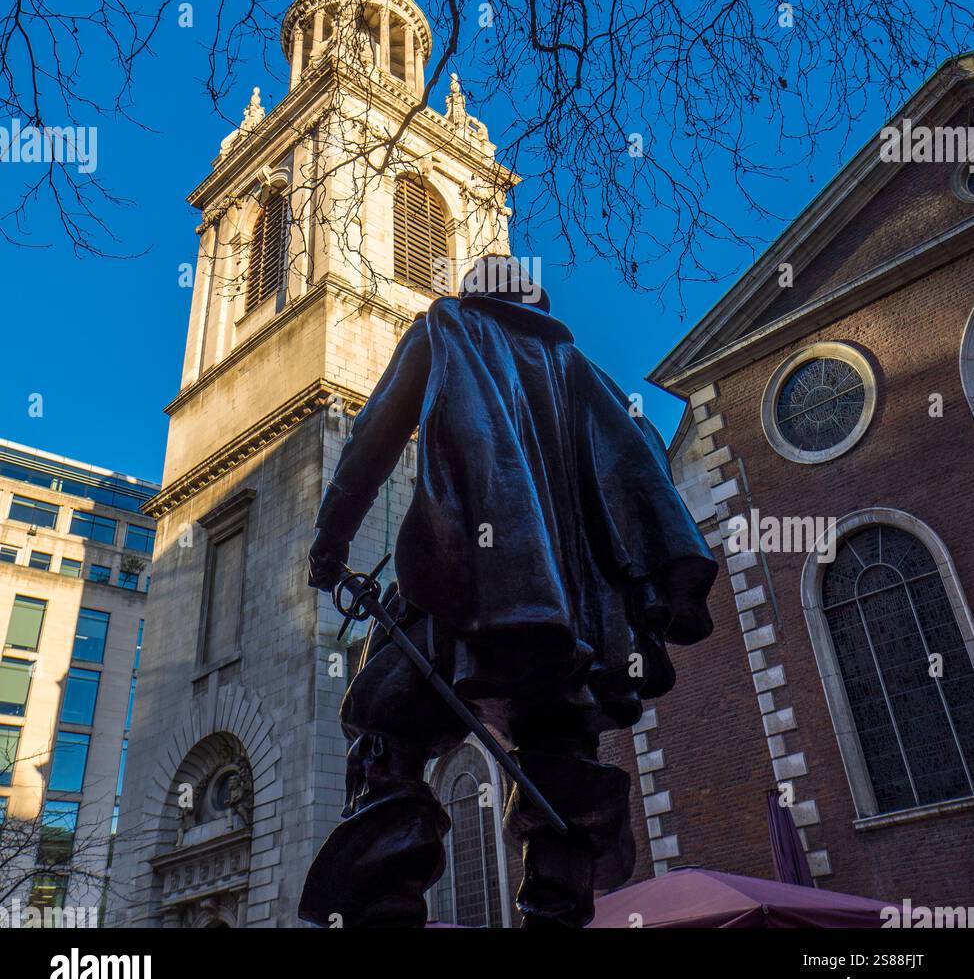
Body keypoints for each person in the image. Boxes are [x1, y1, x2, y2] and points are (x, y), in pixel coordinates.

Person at [299, 256, 717, 929]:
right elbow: (641, 474)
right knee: (562, 754)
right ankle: (556, 913)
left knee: (386, 729)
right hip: (574, 622)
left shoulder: (447, 326)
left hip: (463, 592)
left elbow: (373, 437)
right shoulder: (582, 371)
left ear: (473, 294)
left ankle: (383, 910)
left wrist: (329, 541)